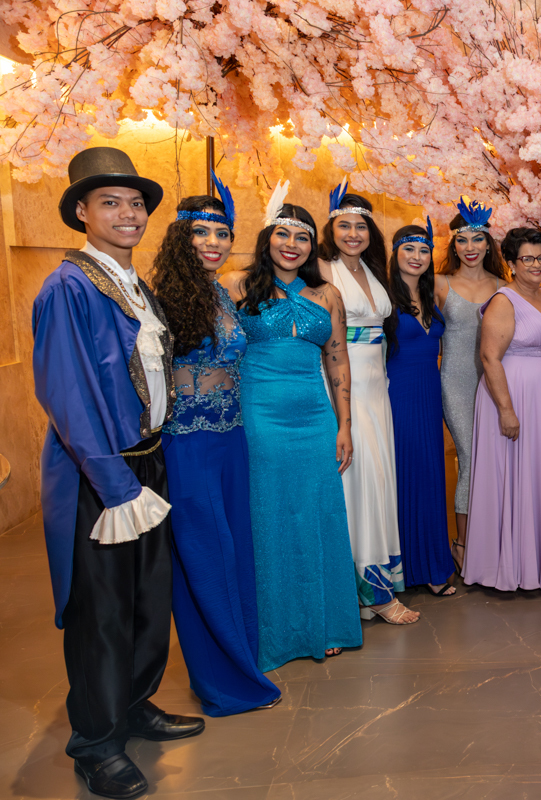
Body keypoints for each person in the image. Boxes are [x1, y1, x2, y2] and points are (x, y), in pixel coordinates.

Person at [32, 146, 204, 799]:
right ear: (81, 212)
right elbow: (67, 395)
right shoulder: (68, 287)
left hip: (147, 460)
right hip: (101, 475)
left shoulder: (133, 283)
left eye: (135, 203)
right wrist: (115, 486)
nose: (128, 213)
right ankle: (96, 744)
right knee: (101, 612)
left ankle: (132, 706)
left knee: (145, 600)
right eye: (110, 202)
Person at [152, 185, 281, 716]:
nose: (213, 242)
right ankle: (223, 681)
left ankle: (241, 660)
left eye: (222, 233)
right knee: (206, 557)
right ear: (180, 238)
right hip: (189, 443)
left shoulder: (220, 293)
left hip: (231, 439)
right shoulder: (162, 299)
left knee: (236, 551)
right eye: (201, 232)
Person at [224, 193, 363, 668]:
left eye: (302, 237)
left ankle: (323, 623)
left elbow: (338, 359)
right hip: (259, 415)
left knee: (317, 513)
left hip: (315, 416)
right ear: (267, 238)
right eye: (282, 233)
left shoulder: (327, 295)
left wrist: (344, 425)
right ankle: (274, 632)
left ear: (311, 246)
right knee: (269, 515)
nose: (292, 243)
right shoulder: (237, 285)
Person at [318, 186, 422, 619]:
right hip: (344, 382)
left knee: (377, 478)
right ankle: (362, 594)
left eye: (360, 226)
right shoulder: (321, 268)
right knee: (354, 481)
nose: (353, 234)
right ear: (330, 230)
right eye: (344, 225)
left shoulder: (374, 270)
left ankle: (375, 586)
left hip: (378, 386)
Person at [461, 227, 541, 591]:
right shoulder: (503, 300)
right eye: (527, 258)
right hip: (512, 397)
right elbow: (489, 357)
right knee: (513, 476)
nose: (536, 264)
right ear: (511, 263)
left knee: (540, 476)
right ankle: (507, 567)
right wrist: (506, 410)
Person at [435, 199, 509, 570]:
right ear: (453, 245)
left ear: (488, 244)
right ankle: (463, 544)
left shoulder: (504, 287)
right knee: (471, 458)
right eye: (462, 240)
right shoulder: (440, 284)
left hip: (495, 382)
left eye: (477, 239)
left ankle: (492, 540)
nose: (470, 247)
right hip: (457, 380)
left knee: (495, 460)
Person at [387, 221, 456, 597]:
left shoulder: (433, 295)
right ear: (395, 253)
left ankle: (431, 565)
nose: (416, 257)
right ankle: (398, 570)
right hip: (396, 395)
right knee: (402, 476)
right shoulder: (383, 297)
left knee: (430, 477)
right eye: (409, 249)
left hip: (430, 396)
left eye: (424, 250)